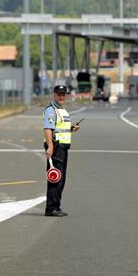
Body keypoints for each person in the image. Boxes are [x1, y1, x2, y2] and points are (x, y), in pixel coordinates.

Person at [43, 84, 80, 217]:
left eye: (63, 94)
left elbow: (59, 128)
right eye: (59, 94)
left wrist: (71, 129)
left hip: (63, 147)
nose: (61, 96)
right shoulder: (51, 110)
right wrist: (50, 147)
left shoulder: (62, 110)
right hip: (56, 147)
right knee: (55, 178)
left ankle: (56, 207)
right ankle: (51, 208)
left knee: (61, 179)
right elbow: (48, 129)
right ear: (54, 95)